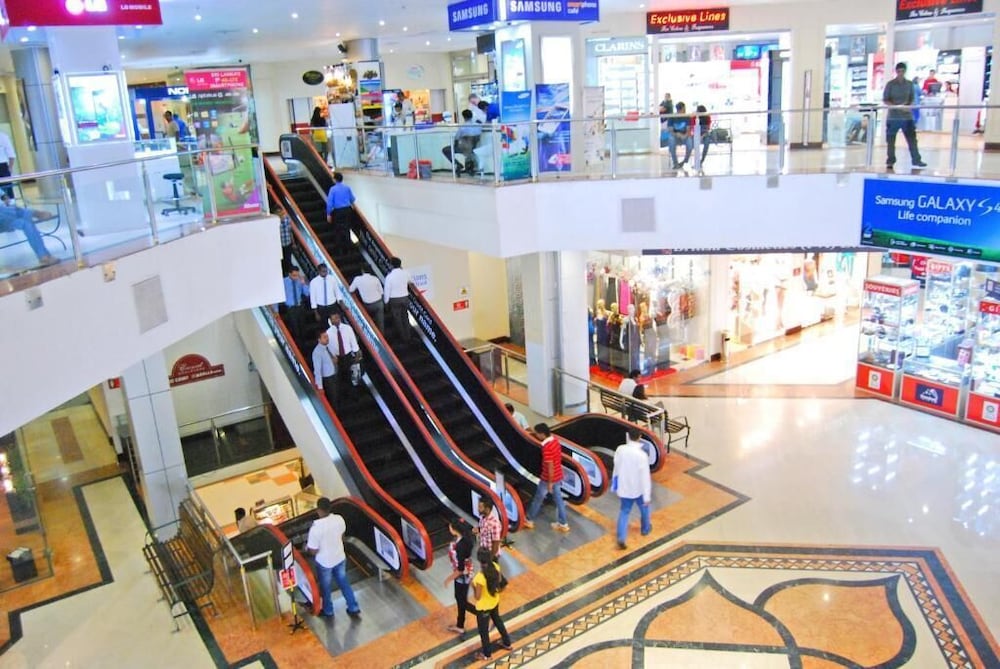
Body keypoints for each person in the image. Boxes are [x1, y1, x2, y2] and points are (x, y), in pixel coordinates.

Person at [304, 497, 361, 618]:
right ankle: (353, 607)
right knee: (344, 582)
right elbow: (342, 536)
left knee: (325, 587)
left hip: (324, 562)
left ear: (318, 510)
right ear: (330, 508)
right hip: (340, 557)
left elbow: (313, 551)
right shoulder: (339, 519)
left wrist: (306, 549)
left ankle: (328, 611)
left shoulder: (315, 529)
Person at [465, 547, 512, 661]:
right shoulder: (496, 566)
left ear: (479, 560)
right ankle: (507, 642)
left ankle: (487, 654)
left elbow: (477, 597)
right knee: (498, 621)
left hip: (484, 608)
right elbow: (500, 582)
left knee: (484, 631)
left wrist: (472, 584)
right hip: (494, 601)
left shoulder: (479, 578)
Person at [523, 423, 569, 533]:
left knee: (538, 498)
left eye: (537, 433)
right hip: (558, 475)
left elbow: (550, 465)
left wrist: (549, 482)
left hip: (548, 478)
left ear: (542, 434)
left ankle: (529, 519)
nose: (536, 436)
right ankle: (563, 523)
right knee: (558, 500)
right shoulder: (555, 441)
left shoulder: (546, 447)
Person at [612, 427, 652, 550]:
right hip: (638, 489)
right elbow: (645, 476)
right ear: (640, 437)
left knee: (624, 511)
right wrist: (646, 495)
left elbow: (616, 468)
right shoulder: (642, 455)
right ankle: (645, 529)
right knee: (644, 508)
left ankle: (621, 537)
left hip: (624, 488)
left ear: (628, 436)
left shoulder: (620, 450)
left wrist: (615, 485)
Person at [883, 63, 926, 171]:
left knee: (912, 139)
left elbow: (912, 98)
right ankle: (890, 160)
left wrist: (908, 107)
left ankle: (916, 159)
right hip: (894, 117)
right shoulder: (890, 84)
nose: (900, 73)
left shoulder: (909, 84)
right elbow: (886, 99)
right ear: (896, 72)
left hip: (907, 116)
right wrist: (896, 107)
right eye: (899, 71)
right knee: (891, 140)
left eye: (902, 71)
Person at [0, 195, 57, 266]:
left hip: (7, 217)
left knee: (26, 223)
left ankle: (43, 256)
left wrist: (7, 201)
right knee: (6, 211)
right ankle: (32, 213)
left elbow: (4, 196)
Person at [443, 516, 475, 634]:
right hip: (466, 573)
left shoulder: (460, 546)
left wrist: (448, 579)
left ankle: (482, 614)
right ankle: (460, 624)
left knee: (461, 600)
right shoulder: (466, 539)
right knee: (460, 599)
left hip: (462, 575)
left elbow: (460, 569)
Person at [326, 311, 361, 389]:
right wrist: (332, 357)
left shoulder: (347, 328)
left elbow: (353, 341)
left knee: (351, 377)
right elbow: (327, 347)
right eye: (334, 319)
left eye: (337, 318)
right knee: (340, 378)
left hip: (348, 356)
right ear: (330, 320)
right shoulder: (328, 333)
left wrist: (356, 353)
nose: (336, 320)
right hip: (337, 358)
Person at [442, 109, 482, 175]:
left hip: (464, 148)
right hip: (475, 147)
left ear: (464, 117)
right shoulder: (478, 126)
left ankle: (457, 164)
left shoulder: (462, 127)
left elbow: (456, 139)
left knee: (445, 150)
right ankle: (469, 165)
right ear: (472, 116)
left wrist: (455, 145)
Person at [383, 256, 413, 342]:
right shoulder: (405, 273)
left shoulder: (389, 277)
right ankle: (409, 336)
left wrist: (386, 302)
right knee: (405, 317)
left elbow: (387, 291)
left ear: (391, 265)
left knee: (398, 319)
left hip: (394, 300)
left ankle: (403, 338)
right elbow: (411, 281)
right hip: (405, 298)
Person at [325, 172, 356, 252]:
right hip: (347, 210)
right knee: (346, 228)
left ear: (335, 179)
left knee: (338, 230)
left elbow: (330, 203)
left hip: (338, 211)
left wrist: (328, 214)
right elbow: (352, 199)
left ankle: (339, 249)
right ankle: (348, 248)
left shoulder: (333, 189)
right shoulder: (347, 188)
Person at [279, 266, 310, 339]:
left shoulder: (300, 281)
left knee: (303, 327)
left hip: (300, 306)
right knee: (295, 328)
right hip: (291, 308)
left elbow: (307, 293)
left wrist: (303, 284)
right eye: (294, 275)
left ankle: (303, 343)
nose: (296, 277)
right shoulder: (284, 282)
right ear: (289, 274)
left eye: (297, 275)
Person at [312, 329, 339, 408]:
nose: (327, 338)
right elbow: (317, 371)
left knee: (337, 397)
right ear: (319, 340)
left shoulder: (329, 346)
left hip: (335, 374)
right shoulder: (317, 352)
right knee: (333, 399)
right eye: (324, 337)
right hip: (328, 379)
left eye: (327, 336)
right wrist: (320, 387)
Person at [663, 101, 693, 170]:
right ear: (680, 110)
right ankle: (675, 163)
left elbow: (688, 129)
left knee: (690, 144)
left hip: (684, 135)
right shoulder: (672, 117)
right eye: (683, 109)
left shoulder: (687, 117)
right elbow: (670, 130)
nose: (685, 110)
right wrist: (677, 134)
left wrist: (685, 135)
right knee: (671, 140)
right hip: (675, 135)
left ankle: (685, 161)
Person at [0, 128, 16, 199]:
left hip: (3, 167)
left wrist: (10, 168)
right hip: (3, 167)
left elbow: (11, 155)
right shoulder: (3, 136)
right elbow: (11, 155)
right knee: (6, 191)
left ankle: (10, 204)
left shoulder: (3, 137)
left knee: (7, 190)